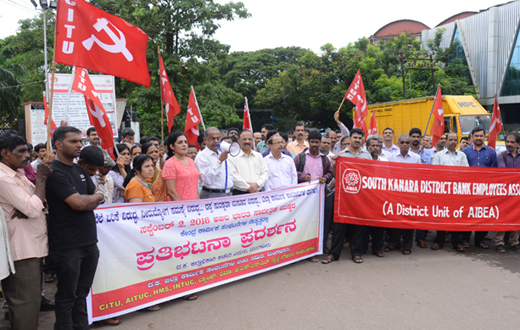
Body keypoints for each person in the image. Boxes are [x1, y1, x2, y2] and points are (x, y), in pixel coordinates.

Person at [45, 126, 105, 330]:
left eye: (80, 141)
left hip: (89, 243)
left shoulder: (79, 169)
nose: (79, 144)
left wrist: (94, 197)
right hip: (67, 246)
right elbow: (80, 203)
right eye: (73, 141)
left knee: (82, 293)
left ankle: (81, 326)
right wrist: (96, 197)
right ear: (59, 145)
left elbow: (94, 194)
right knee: (67, 295)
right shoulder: (54, 172)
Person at [0, 131, 52, 330]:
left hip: (33, 246)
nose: (27, 155)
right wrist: (40, 180)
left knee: (29, 304)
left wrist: (33, 205)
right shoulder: (4, 178)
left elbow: (40, 204)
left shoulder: (18, 175)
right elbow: (32, 208)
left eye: (27, 151)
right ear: (5, 153)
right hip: (22, 250)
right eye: (21, 151)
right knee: (25, 306)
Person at [322, 129, 370, 264]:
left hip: (360, 196)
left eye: (360, 138)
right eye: (355, 137)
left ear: (362, 140)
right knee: (339, 225)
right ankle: (334, 254)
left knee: (358, 225)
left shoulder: (367, 156)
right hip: (343, 196)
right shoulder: (341, 155)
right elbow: (336, 176)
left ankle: (356, 252)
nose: (357, 140)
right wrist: (334, 164)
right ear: (350, 138)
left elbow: (369, 176)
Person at [293, 130, 333, 262]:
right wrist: (303, 177)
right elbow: (293, 173)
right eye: (312, 142)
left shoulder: (324, 158)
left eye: (317, 142)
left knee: (323, 222)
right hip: (305, 198)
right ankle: (307, 249)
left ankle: (322, 245)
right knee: (307, 223)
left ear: (320, 143)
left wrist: (325, 178)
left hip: (321, 196)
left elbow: (330, 173)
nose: (315, 144)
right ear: (308, 142)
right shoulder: (300, 157)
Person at [430, 132, 469, 252]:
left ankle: (457, 242)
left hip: (457, 192)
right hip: (442, 191)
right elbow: (434, 173)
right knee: (442, 216)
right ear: (445, 141)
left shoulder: (462, 155)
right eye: (450, 139)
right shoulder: (439, 156)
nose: (452, 142)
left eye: (454, 140)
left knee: (457, 217)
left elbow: (466, 173)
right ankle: (439, 241)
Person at [462, 127, 497, 249]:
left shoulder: (491, 152)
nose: (478, 138)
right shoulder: (465, 152)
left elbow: (495, 172)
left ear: (484, 137)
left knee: (483, 215)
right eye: (476, 136)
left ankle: (480, 240)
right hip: (468, 189)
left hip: (485, 190)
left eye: (481, 136)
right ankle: (465, 239)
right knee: (467, 214)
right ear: (471, 136)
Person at [386, 134, 421, 255]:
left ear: (410, 144)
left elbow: (419, 175)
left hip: (410, 193)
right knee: (395, 218)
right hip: (395, 193)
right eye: (402, 142)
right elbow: (388, 175)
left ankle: (407, 245)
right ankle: (394, 243)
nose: (405, 144)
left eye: (407, 142)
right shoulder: (391, 157)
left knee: (409, 219)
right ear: (398, 143)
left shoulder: (416, 158)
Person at [495, 132, 520, 253]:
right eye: (507, 142)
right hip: (505, 193)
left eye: (512, 142)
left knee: (516, 217)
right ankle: (499, 242)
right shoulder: (502, 156)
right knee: (504, 217)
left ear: (518, 144)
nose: (509, 144)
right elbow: (503, 174)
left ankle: (514, 242)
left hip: (518, 193)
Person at [195, 127, 233, 199]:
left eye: (218, 138)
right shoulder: (201, 156)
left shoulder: (221, 153)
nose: (216, 141)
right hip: (212, 194)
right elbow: (207, 180)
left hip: (228, 194)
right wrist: (219, 162)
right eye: (213, 138)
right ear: (205, 140)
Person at [228, 130, 269, 195]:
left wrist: (257, 184)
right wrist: (249, 187)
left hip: (258, 192)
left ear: (253, 141)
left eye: (250, 139)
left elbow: (265, 172)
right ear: (239, 141)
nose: (247, 141)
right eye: (244, 139)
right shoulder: (231, 157)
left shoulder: (258, 156)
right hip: (239, 193)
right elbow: (233, 176)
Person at [163, 132, 200, 201]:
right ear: (172, 146)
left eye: (185, 142)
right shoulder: (170, 163)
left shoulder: (191, 161)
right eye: (180, 142)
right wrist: (182, 207)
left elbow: (195, 186)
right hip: (179, 206)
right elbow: (171, 191)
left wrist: (198, 203)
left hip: (194, 205)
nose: (184, 145)